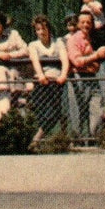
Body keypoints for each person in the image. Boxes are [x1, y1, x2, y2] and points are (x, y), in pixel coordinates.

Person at [66, 11, 105, 139]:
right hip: (78, 79)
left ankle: (94, 138)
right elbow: (77, 61)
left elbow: (96, 62)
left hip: (92, 78)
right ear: (77, 24)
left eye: (89, 22)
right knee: (77, 113)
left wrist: (104, 54)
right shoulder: (73, 40)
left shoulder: (92, 39)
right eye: (83, 22)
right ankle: (77, 142)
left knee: (97, 110)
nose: (86, 24)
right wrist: (96, 56)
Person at [27, 15, 69, 145]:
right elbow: (35, 60)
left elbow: (65, 59)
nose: (41, 32)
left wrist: (63, 74)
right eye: (38, 29)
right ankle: (41, 142)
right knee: (41, 112)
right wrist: (40, 75)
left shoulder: (58, 43)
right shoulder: (33, 45)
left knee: (54, 112)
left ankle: (37, 139)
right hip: (41, 83)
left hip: (56, 82)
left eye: (44, 29)